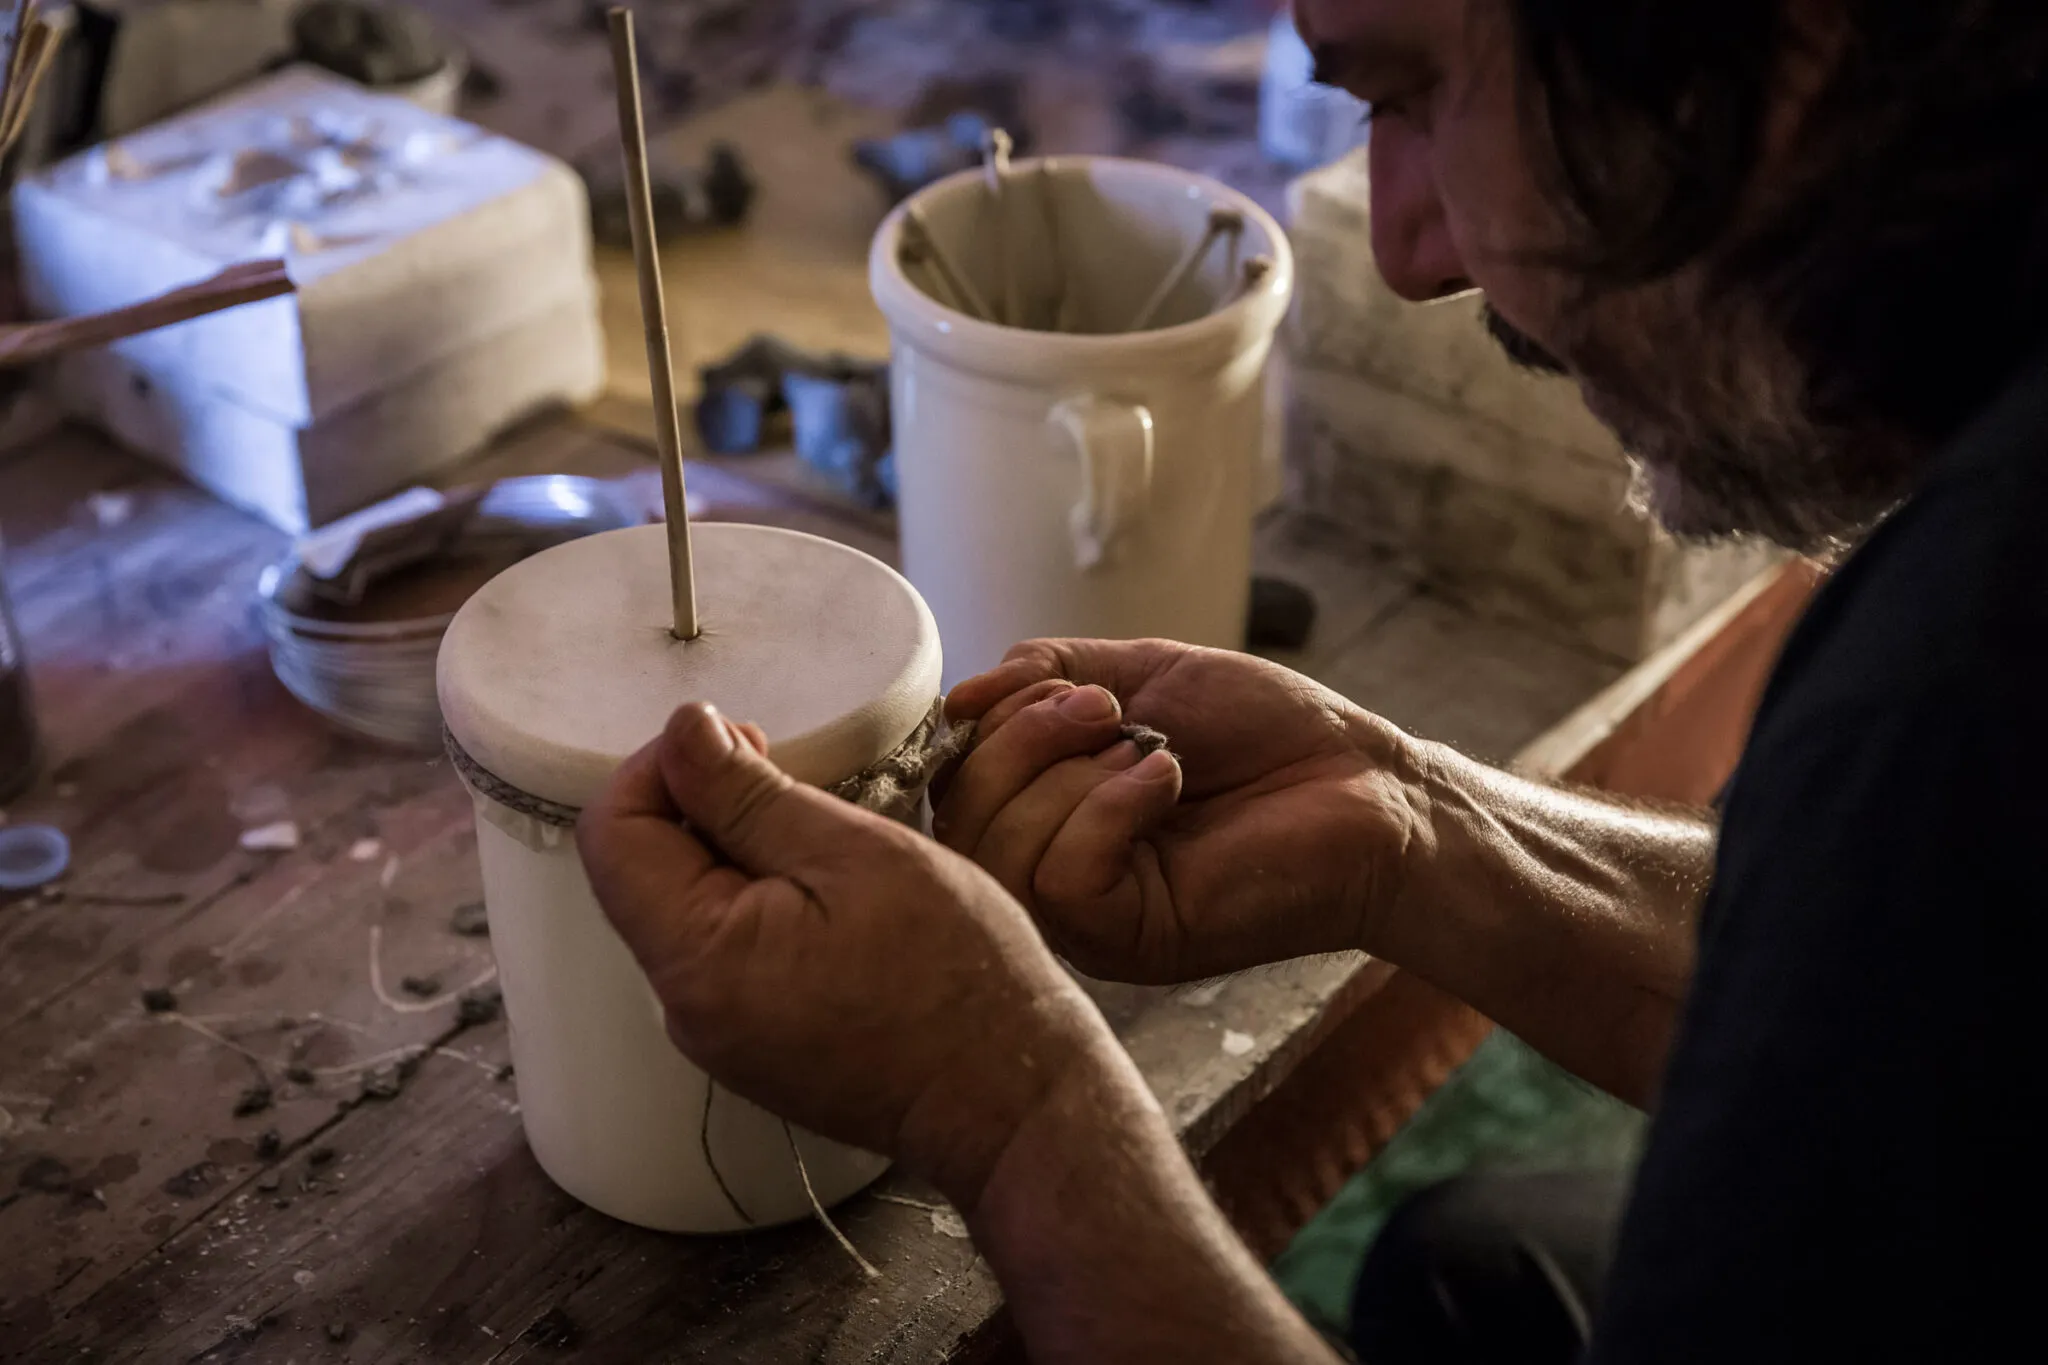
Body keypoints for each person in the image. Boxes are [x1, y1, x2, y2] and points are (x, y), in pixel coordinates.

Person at [577, 1, 2038, 1360]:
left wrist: (1013, 1112)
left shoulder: (1952, 697)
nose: (1408, 247)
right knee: (1467, 1269)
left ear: (1794, 39)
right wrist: (1413, 824)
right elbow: (1909, 1001)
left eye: (1414, 89)